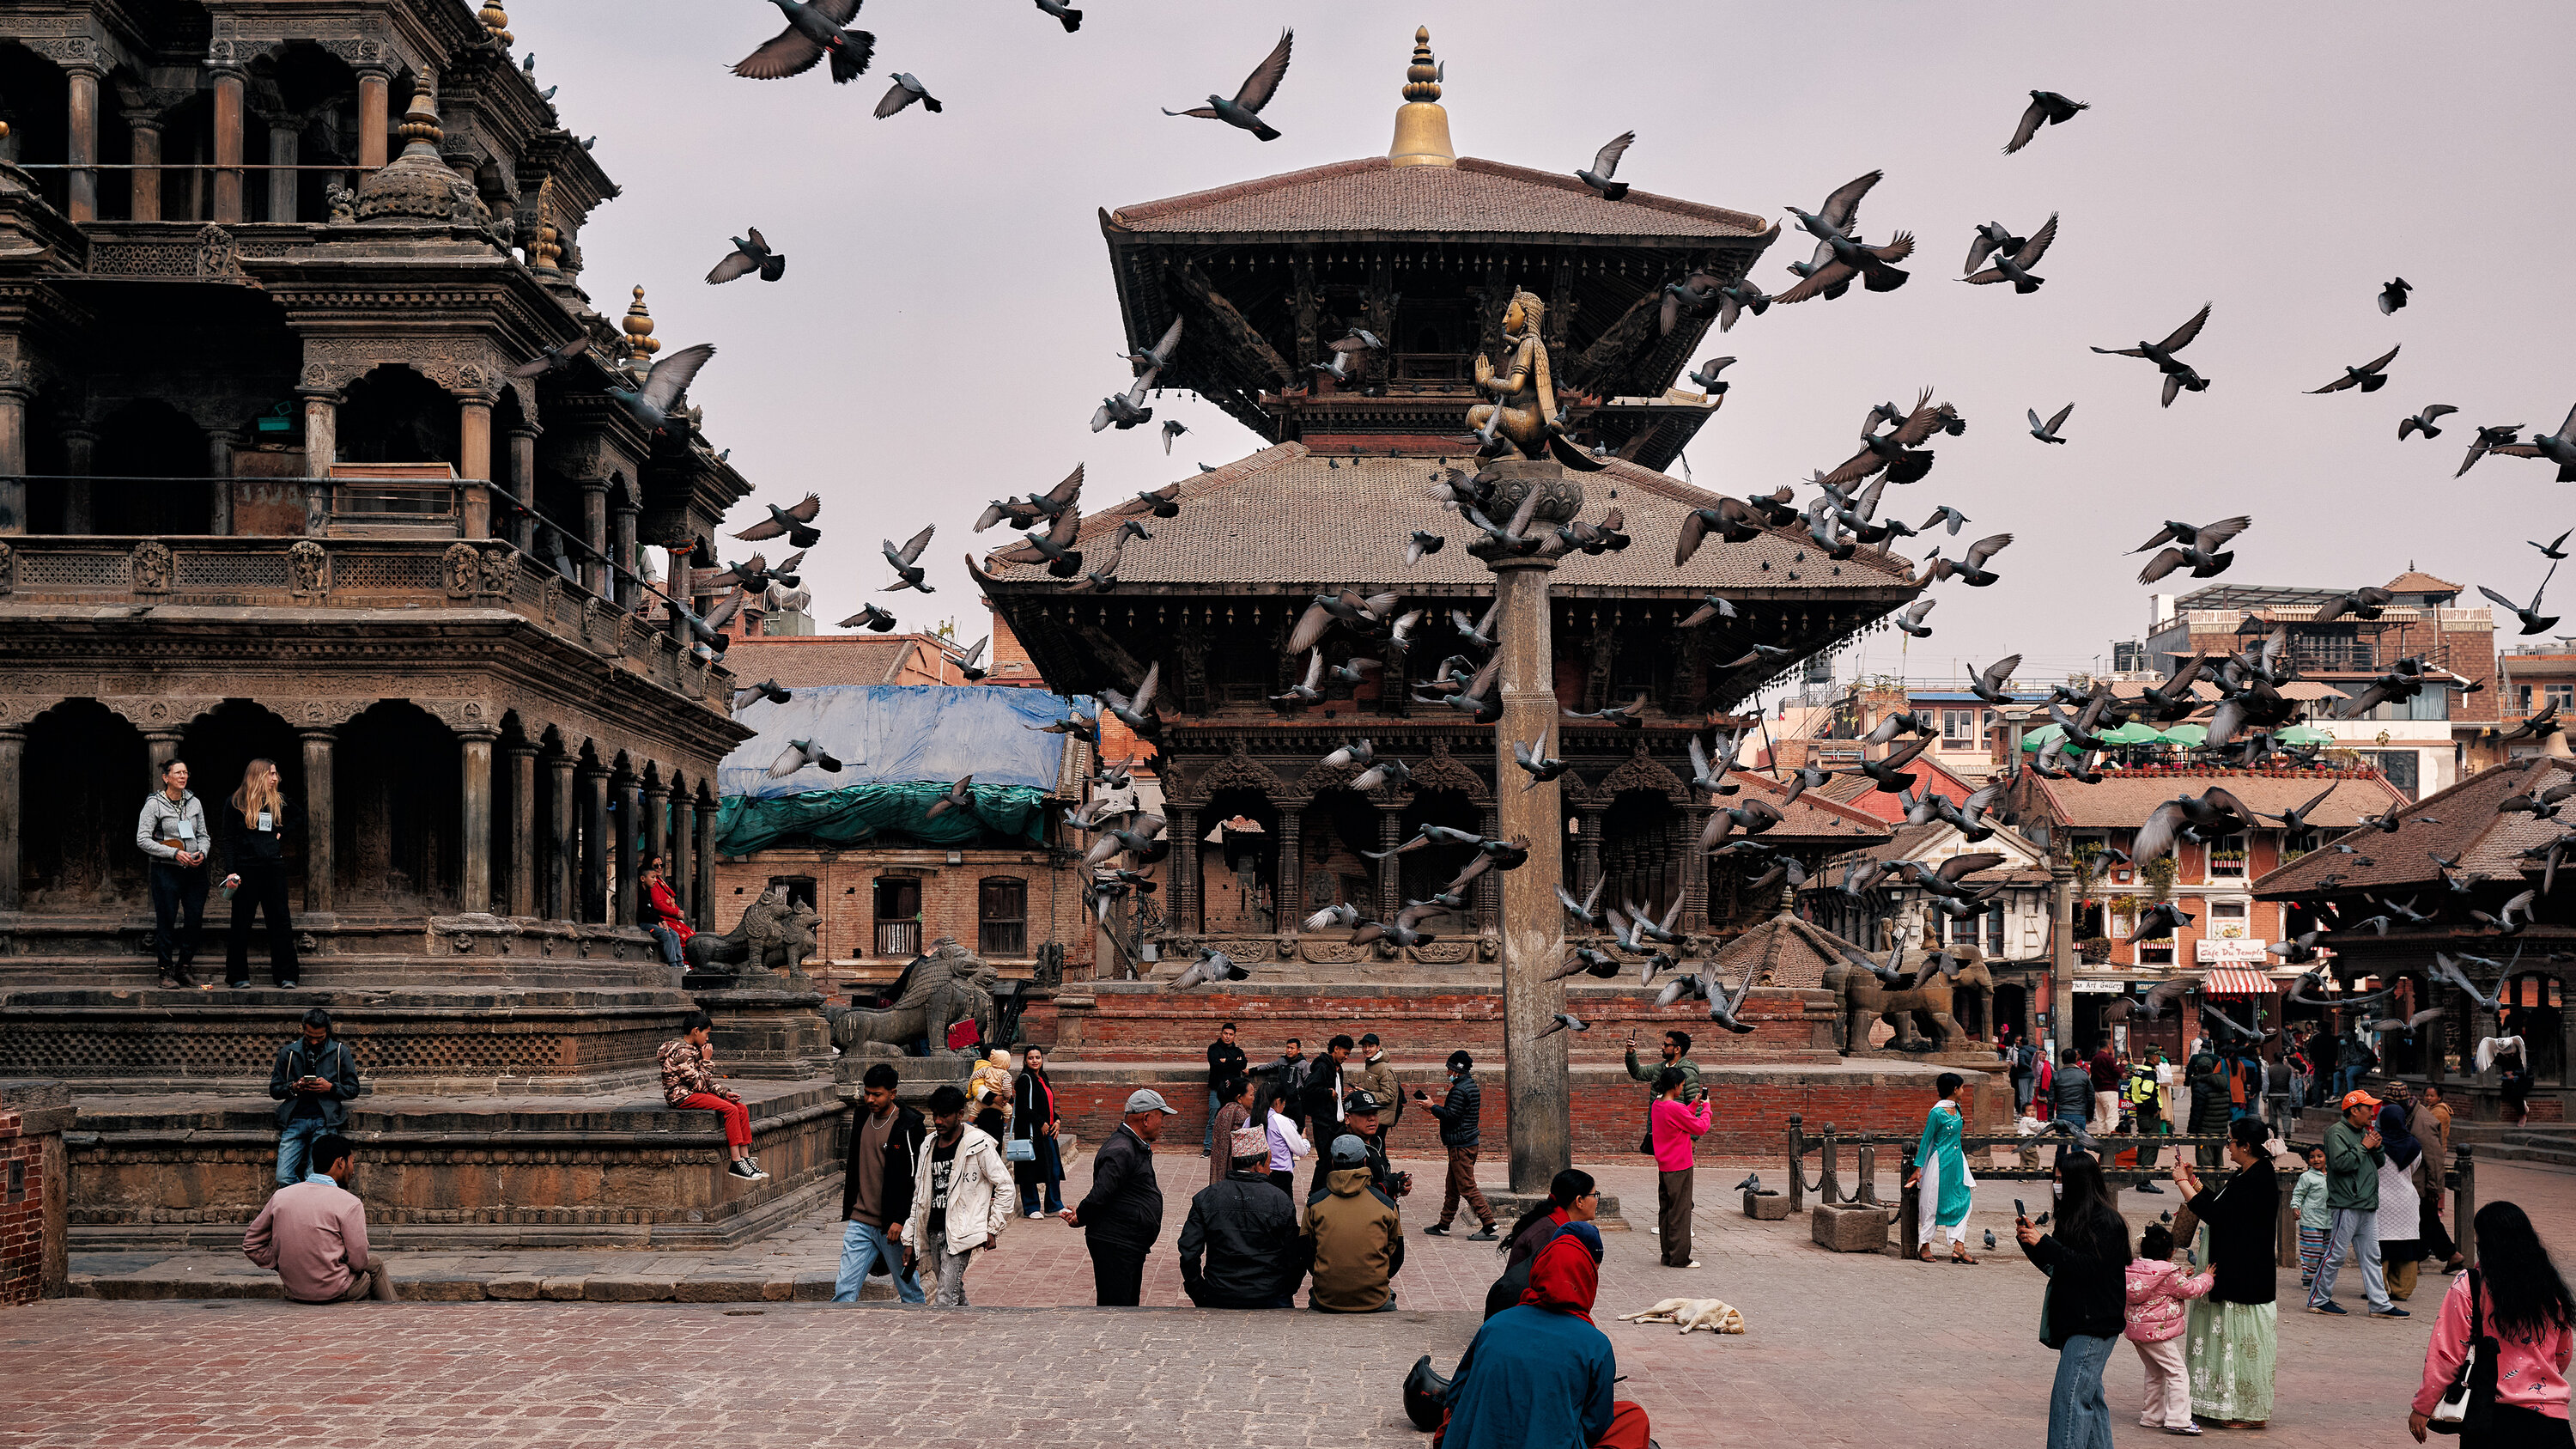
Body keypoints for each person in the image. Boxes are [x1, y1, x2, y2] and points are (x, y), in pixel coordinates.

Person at [1439, 1224, 1653, 1449]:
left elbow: (1455, 1396)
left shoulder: (1495, 1325)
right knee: (1632, 1418)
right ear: (1588, 1281)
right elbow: (1595, 1424)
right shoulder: (1595, 1344)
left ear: (1537, 1272)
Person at [2408, 1201, 2574, 1448]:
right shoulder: (2550, 1285)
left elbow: (2447, 1354)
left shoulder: (2471, 1284)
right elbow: (2562, 1353)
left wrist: (2423, 1406)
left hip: (2492, 1417)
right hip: (2552, 1422)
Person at [2015, 1154, 2131, 1449]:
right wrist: (2031, 1242)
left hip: (2094, 1324)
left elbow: (2090, 1267)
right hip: (2074, 1320)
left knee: (2068, 1400)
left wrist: (2045, 1243)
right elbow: (2057, 1265)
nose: (2056, 1186)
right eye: (2055, 1179)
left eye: (2061, 1179)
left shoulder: (2107, 1221)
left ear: (2077, 1183)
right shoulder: (2071, 1218)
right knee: (2090, 1399)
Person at [2175, 1117, 2284, 1427]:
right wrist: (2194, 1182)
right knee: (2225, 1341)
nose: (2228, 1147)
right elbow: (2222, 1206)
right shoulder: (2246, 1174)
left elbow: (2217, 1215)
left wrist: (2182, 1184)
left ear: (2246, 1146)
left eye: (2230, 1142)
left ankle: (2249, 1412)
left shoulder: (2258, 1179)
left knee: (2242, 1345)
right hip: (2233, 1270)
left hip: (2246, 1276)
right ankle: (2219, 1403)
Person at [240, 1133, 396, 1301]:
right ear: (340, 1163)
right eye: (352, 1163)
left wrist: (282, 1262)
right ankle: (396, 1314)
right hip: (335, 1289)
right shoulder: (349, 1203)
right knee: (375, 1266)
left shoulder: (281, 1196)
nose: (353, 1170)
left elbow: (251, 1244)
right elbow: (358, 1261)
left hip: (295, 1289)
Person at [1060, 1087, 1174, 1306]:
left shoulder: (1132, 1145)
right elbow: (1100, 1194)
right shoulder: (1122, 1149)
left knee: (1127, 1304)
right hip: (1116, 1242)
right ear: (1146, 1118)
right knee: (1116, 1306)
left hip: (1128, 1241)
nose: (1163, 1124)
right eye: (1162, 1117)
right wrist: (1081, 1216)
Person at [902, 1083, 1012, 1307]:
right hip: (933, 1229)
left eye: (944, 1116)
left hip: (961, 1232)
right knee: (952, 1290)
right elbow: (919, 1196)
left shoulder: (978, 1144)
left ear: (960, 1114)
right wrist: (909, 1237)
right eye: (935, 1116)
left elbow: (1005, 1187)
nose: (938, 1122)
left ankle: (944, 1340)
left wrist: (993, 1228)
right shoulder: (928, 1145)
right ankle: (971, 1329)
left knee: (944, 1297)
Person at [1179, 1123, 1309, 1309]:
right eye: (1268, 1162)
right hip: (1271, 1295)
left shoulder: (1206, 1198)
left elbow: (1188, 1251)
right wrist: (1287, 1288)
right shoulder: (1280, 1200)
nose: (1271, 1168)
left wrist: (1198, 1290)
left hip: (1219, 1294)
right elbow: (1295, 1253)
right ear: (1258, 1165)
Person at [836, 1062, 926, 1304]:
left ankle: (921, 1333)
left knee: (909, 1292)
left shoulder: (908, 1125)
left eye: (877, 1094)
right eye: (867, 1093)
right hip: (860, 1221)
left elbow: (915, 1177)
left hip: (893, 1227)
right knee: (844, 1290)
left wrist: (902, 1219)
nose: (870, 1099)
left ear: (892, 1094)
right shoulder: (862, 1116)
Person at [2310, 1088, 2403, 1318]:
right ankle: (2319, 1299)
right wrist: (2365, 1146)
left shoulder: (2365, 1132)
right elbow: (2341, 1164)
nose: (2373, 1112)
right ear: (2354, 1110)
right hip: (2346, 1203)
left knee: (2372, 1255)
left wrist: (2376, 1145)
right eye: (2368, 1108)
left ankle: (2380, 1304)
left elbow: (2378, 1162)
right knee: (2336, 1254)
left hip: (2366, 1203)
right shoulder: (2336, 1133)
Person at [2125, 1221, 2215, 1437]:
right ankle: (2179, 1419)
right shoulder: (2168, 1274)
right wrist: (2207, 1277)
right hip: (2157, 1333)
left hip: (2137, 1331)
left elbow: (2159, 1284)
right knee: (2178, 1373)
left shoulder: (2134, 1268)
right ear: (2171, 1252)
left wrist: (2181, 1276)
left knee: (2155, 1372)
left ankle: (2152, 1416)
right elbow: (2191, 1290)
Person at [220, 757, 299, 989]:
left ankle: (287, 976)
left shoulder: (278, 800)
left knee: (280, 922)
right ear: (258, 776)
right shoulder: (235, 802)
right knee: (241, 923)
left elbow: (299, 816)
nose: (275, 778)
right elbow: (228, 839)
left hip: (274, 869)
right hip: (246, 870)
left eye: (276, 774)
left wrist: (280, 833)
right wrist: (231, 872)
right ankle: (237, 976)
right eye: (271, 774)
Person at [1301, 1134, 1403, 1312]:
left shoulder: (1315, 1203)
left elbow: (1307, 1251)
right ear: (1365, 1162)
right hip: (1374, 1297)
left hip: (1326, 1297)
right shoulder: (1386, 1204)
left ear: (1332, 1164)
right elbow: (1396, 1254)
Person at [660, 1010, 764, 1181]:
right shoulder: (683, 1053)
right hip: (680, 1096)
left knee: (741, 1108)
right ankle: (736, 1162)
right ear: (696, 1031)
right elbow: (700, 1085)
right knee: (730, 1110)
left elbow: (702, 1082)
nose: (708, 1039)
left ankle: (745, 1157)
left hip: (693, 1091)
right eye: (706, 1033)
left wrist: (724, 1092)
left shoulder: (693, 1050)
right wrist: (707, 1060)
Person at [137, 758, 212, 989]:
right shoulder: (154, 804)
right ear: (166, 777)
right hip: (166, 871)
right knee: (166, 922)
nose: (183, 776)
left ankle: (185, 969)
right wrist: (173, 853)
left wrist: (202, 853)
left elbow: (204, 835)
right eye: (178, 773)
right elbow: (142, 840)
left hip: (194, 871)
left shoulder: (194, 802)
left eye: (185, 773)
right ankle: (165, 973)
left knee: (194, 920)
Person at [267, 1008, 360, 1186]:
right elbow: (275, 1090)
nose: (315, 1042)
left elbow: (353, 1089)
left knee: (315, 1176)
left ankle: (307, 1208)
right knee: (283, 1177)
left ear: (327, 1032)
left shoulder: (340, 1052)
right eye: (310, 1037)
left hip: (324, 1121)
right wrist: (294, 1087)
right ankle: (299, 1205)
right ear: (303, 1030)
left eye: (320, 1037)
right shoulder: (288, 1053)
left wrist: (330, 1087)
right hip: (295, 1119)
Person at [1489, 1169, 1599, 1319]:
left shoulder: (1555, 1225)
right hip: (1518, 1312)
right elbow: (1554, 1290)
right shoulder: (1550, 1233)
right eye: (1595, 1195)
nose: (1597, 1201)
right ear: (1579, 1201)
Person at [1415, 1050, 1497, 1240]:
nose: (1447, 1074)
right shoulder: (1469, 1086)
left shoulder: (1460, 1089)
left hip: (1461, 1146)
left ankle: (1490, 1225)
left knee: (1467, 1187)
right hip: (1464, 1143)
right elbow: (1457, 1115)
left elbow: (1451, 1116)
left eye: (1449, 1070)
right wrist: (1434, 1110)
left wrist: (1432, 1107)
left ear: (1457, 1071)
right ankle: (1444, 1225)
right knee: (1452, 1188)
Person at [1907, 1071, 1977, 1264]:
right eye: (1962, 1087)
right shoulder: (1936, 1113)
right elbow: (1927, 1140)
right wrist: (1918, 1168)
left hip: (1957, 1162)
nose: (1963, 1090)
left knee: (1964, 1202)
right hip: (1940, 1162)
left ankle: (1959, 1247)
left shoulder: (1958, 1109)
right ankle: (1925, 1246)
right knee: (1932, 1204)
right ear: (1955, 1090)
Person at [1650, 1066, 1710, 1269]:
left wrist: (1693, 1105)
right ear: (1675, 1086)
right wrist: (1706, 1109)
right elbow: (1699, 1127)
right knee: (1681, 1213)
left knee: (1666, 1211)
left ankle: (1668, 1254)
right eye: (1682, 1085)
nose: (1682, 1088)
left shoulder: (1658, 1105)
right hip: (1680, 1165)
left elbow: (1679, 1118)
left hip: (1665, 1165)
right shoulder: (1673, 1107)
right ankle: (1680, 1258)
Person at [1309, 1091, 1406, 1202]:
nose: (1372, 1118)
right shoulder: (1341, 1147)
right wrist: (1386, 1185)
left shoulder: (1376, 1139)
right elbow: (1346, 1192)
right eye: (1365, 1114)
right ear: (1348, 1118)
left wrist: (1397, 1187)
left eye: (1374, 1113)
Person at [2379, 1094, 2427, 1303]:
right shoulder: (2414, 1145)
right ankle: (2403, 1290)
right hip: (2407, 1200)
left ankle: (2380, 1288)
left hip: (2381, 1200)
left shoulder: (2376, 1144)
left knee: (2381, 1247)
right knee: (2406, 1245)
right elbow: (2414, 1168)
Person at [1623, 1028, 1699, 1153]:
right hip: (1659, 1130)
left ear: (1677, 1049)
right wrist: (1630, 1053)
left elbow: (1695, 1105)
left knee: (1676, 1167)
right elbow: (1638, 1073)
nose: (1662, 1046)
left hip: (1677, 1132)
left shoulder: (1688, 1073)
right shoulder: (1660, 1068)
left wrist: (1693, 1138)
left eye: (1666, 1044)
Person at [1012, 1044, 1066, 1218]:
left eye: (1038, 1057)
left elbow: (1047, 1106)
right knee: (1029, 1169)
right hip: (1031, 1132)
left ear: (1042, 1059)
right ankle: (1031, 1207)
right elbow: (1022, 1108)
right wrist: (1040, 1122)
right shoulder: (1025, 1080)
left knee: (1054, 1169)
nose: (1035, 1061)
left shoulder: (1043, 1078)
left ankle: (1054, 1205)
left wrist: (1057, 1120)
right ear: (1025, 1061)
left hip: (1047, 1131)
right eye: (1031, 1058)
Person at [638, 855, 691, 973]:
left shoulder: (651, 888)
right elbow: (648, 910)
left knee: (675, 935)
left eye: (661, 865)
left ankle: (681, 964)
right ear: (643, 878)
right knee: (666, 935)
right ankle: (673, 965)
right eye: (655, 866)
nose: (659, 868)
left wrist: (662, 920)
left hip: (658, 920)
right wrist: (662, 919)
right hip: (646, 923)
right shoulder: (640, 893)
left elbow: (654, 910)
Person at [1345, 1032, 1404, 1135]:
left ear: (1378, 1048)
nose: (1367, 1049)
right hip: (1373, 1116)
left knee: (1377, 1147)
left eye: (1371, 1046)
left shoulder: (1384, 1068)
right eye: (1364, 1046)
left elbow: (1389, 1096)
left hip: (1380, 1118)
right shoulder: (1371, 1064)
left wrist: (1366, 1095)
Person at [1204, 1021, 1248, 1154]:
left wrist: (1227, 1061)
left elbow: (1243, 1064)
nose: (1228, 1036)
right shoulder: (1213, 1049)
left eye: (1231, 1034)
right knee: (1213, 1119)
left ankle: (1234, 1147)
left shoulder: (1238, 1051)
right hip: (1217, 1089)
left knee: (1235, 1119)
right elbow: (1216, 1064)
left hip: (1233, 1092)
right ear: (1221, 1034)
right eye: (1225, 1034)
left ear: (1234, 1036)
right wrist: (1235, 1062)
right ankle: (1208, 1147)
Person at [2292, 1147, 2332, 1289]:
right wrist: (2295, 1207)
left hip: (2330, 1221)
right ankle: (2308, 1279)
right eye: (2312, 1157)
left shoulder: (2334, 1175)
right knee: (2311, 1251)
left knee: (2326, 1253)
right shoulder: (2307, 1177)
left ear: (2327, 1157)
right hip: (2311, 1221)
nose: (2316, 1160)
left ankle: (2321, 1279)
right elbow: (2298, 1194)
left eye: (2320, 1156)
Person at [1264, 1081, 1310, 1198]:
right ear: (1278, 1101)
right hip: (1279, 1176)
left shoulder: (1249, 1120)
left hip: (1256, 1175)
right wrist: (1304, 1140)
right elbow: (1301, 1151)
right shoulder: (1281, 1121)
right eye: (1283, 1104)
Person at [1303, 1035, 1355, 1137]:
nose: (1346, 1057)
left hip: (1337, 1123)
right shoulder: (1322, 1066)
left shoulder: (1338, 1068)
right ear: (1336, 1049)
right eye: (1345, 1053)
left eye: (1348, 1054)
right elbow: (1309, 1089)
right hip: (1324, 1125)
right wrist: (1328, 1093)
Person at [1207, 1074, 1254, 1189]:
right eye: (1251, 1095)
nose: (1253, 1098)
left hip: (1219, 1169)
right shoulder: (1240, 1114)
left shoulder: (1224, 1109)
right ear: (1240, 1098)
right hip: (1233, 1170)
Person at [2185, 1047, 2227, 1168]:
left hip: (2205, 1130)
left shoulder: (2200, 1086)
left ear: (2197, 1069)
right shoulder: (2223, 1084)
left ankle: (2208, 1187)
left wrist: (2192, 1130)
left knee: (2205, 1162)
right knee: (2218, 1161)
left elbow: (2197, 1111)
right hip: (2221, 1129)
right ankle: (2220, 1186)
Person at [1270, 1038, 1312, 1134]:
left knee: (1299, 1128)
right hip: (1283, 1101)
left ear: (1298, 1050)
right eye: (1287, 1047)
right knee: (1283, 1128)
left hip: (1297, 1102)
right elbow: (1268, 1067)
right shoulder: (1282, 1061)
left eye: (1292, 1048)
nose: (1289, 1050)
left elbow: (1308, 1083)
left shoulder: (1303, 1064)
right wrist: (1251, 1071)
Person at [967, 1048, 1014, 1123]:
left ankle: (968, 1124)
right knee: (1009, 1110)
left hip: (983, 1101)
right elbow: (1006, 1087)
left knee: (974, 1109)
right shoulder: (1005, 1075)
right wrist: (1007, 1097)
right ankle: (1004, 1126)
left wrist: (970, 1086)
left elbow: (974, 1076)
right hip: (1000, 1102)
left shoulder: (986, 1069)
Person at [2090, 1041, 2123, 1137]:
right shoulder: (2108, 1058)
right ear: (2109, 1046)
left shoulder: (2095, 1058)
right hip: (2109, 1090)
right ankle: (2112, 1139)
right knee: (2111, 1116)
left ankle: (2101, 1137)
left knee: (2101, 1118)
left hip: (2098, 1090)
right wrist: (2122, 1065)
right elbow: (2118, 1073)